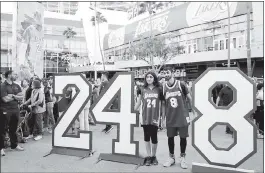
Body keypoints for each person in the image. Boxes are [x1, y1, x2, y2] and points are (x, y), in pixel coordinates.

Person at [161, 67, 195, 169]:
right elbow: (163, 104)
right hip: (170, 117)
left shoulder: (181, 84)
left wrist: (194, 111)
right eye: (164, 73)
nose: (166, 74)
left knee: (183, 138)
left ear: (173, 73)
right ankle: (171, 157)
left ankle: (183, 158)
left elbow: (190, 98)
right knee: (170, 138)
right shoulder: (163, 87)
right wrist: (163, 119)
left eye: (167, 72)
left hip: (182, 116)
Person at [134, 71, 162, 166]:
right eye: (147, 77)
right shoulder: (142, 89)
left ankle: (154, 156)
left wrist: (163, 117)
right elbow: (138, 102)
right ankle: (149, 156)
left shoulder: (159, 89)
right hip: (145, 116)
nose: (149, 78)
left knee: (154, 137)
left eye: (151, 77)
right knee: (146, 137)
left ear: (154, 78)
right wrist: (132, 111)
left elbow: (162, 104)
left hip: (155, 116)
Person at [0, 70, 25, 156]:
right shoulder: (2, 86)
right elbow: (5, 99)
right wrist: (16, 97)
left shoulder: (16, 85)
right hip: (5, 110)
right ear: (9, 75)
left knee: (13, 129)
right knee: (2, 130)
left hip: (15, 110)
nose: (16, 75)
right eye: (15, 74)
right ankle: (1, 148)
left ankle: (14, 145)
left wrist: (13, 96)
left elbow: (21, 97)